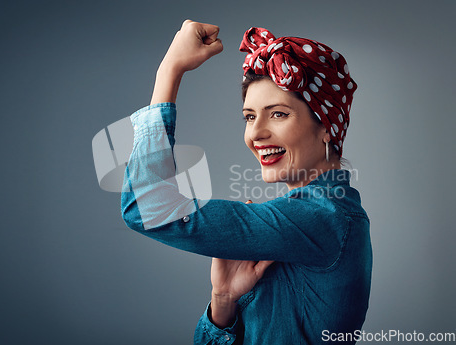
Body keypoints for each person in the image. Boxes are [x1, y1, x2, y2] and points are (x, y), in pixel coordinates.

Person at [121, 20, 372, 344]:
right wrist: (223, 301)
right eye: (250, 117)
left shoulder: (324, 218)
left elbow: (145, 207)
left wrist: (169, 71)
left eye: (278, 114)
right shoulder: (312, 219)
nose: (255, 134)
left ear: (326, 127)